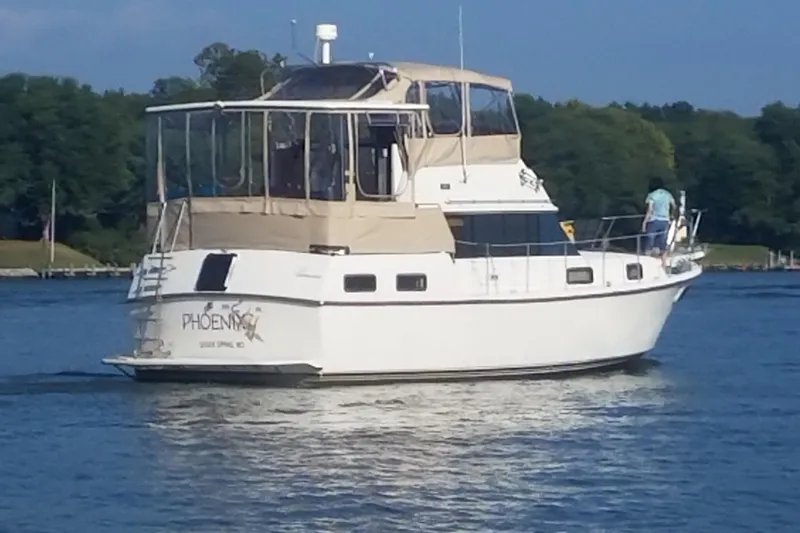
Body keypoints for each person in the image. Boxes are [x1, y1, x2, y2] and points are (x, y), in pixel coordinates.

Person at [641, 176, 676, 269]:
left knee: (649, 243)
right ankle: (664, 265)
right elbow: (674, 205)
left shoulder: (652, 195)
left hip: (654, 220)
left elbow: (650, 210)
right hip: (665, 221)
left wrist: (644, 223)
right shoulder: (667, 194)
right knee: (662, 244)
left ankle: (646, 264)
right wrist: (671, 215)